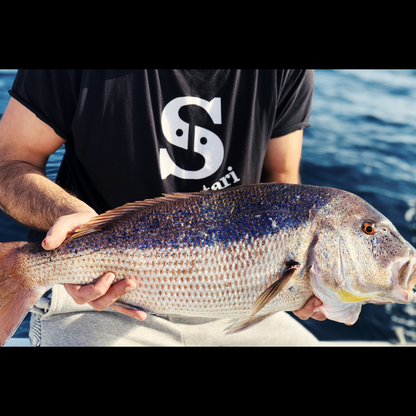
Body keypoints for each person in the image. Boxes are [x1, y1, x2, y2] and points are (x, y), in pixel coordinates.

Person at [0, 69, 326, 346]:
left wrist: (299, 278)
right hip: (97, 301)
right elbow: (10, 159)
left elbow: (281, 178)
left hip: (240, 300)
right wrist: (76, 225)